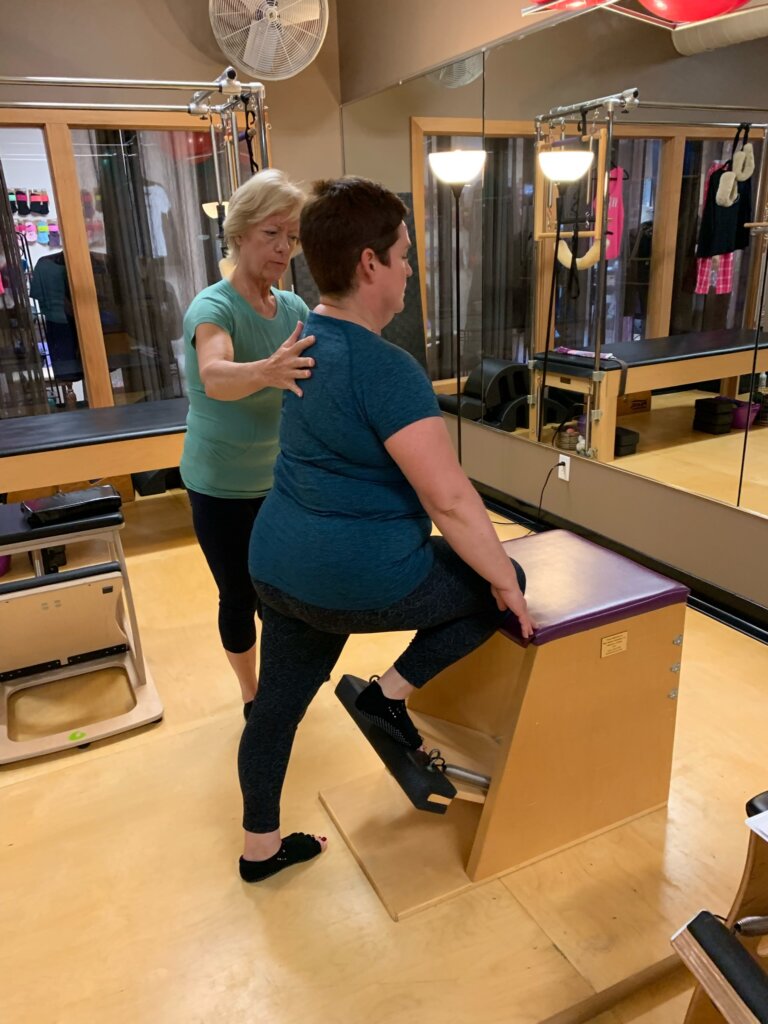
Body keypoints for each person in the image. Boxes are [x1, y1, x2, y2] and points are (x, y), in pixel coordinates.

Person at [238, 176, 535, 883]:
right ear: (370, 263)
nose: (409, 271)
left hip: (277, 567)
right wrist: (508, 587)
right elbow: (452, 502)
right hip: (355, 578)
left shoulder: (303, 340)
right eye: (404, 256)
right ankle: (388, 696)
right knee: (503, 581)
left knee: (275, 708)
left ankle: (260, 851)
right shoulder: (387, 368)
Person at [180, 169, 316, 717]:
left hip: (278, 482)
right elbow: (215, 375)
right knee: (240, 595)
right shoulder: (212, 309)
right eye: (271, 233)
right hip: (220, 487)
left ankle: (282, 687)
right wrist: (269, 369)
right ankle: (252, 695)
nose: (284, 248)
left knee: (283, 595)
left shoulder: (295, 310)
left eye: (293, 236)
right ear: (238, 235)